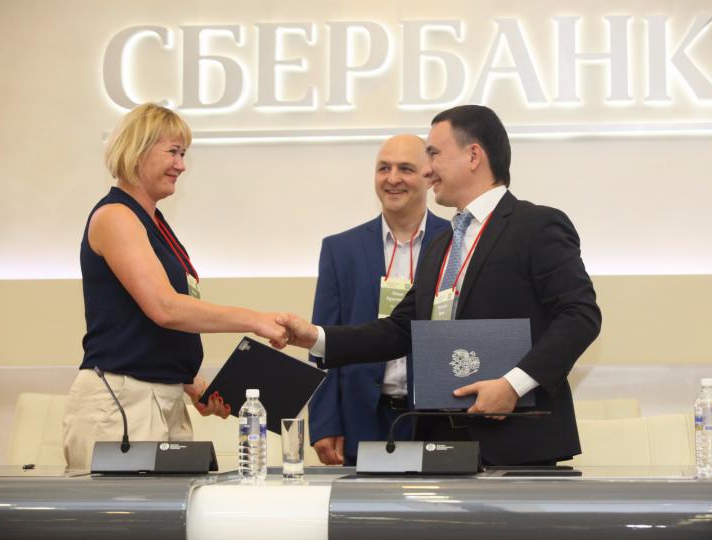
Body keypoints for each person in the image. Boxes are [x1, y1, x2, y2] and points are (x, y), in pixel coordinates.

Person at [281, 105, 601, 466]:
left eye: (434, 154)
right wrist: (315, 337)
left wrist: (513, 385)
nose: (426, 169)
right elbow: (400, 330)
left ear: (473, 156)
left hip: (516, 442)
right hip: (440, 444)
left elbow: (580, 316)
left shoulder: (536, 226)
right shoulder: (442, 244)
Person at [63, 103, 288, 470]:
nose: (181, 165)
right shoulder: (116, 216)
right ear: (137, 150)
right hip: (121, 403)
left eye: (183, 154)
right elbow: (165, 308)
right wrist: (256, 320)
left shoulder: (154, 222)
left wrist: (191, 384)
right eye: (173, 152)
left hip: (161, 399)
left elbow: (142, 324)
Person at [309, 135, 449, 465]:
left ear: (428, 175)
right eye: (383, 168)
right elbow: (324, 341)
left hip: (438, 420)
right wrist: (325, 422)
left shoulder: (456, 241)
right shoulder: (340, 250)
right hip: (361, 420)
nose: (392, 178)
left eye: (406, 169)